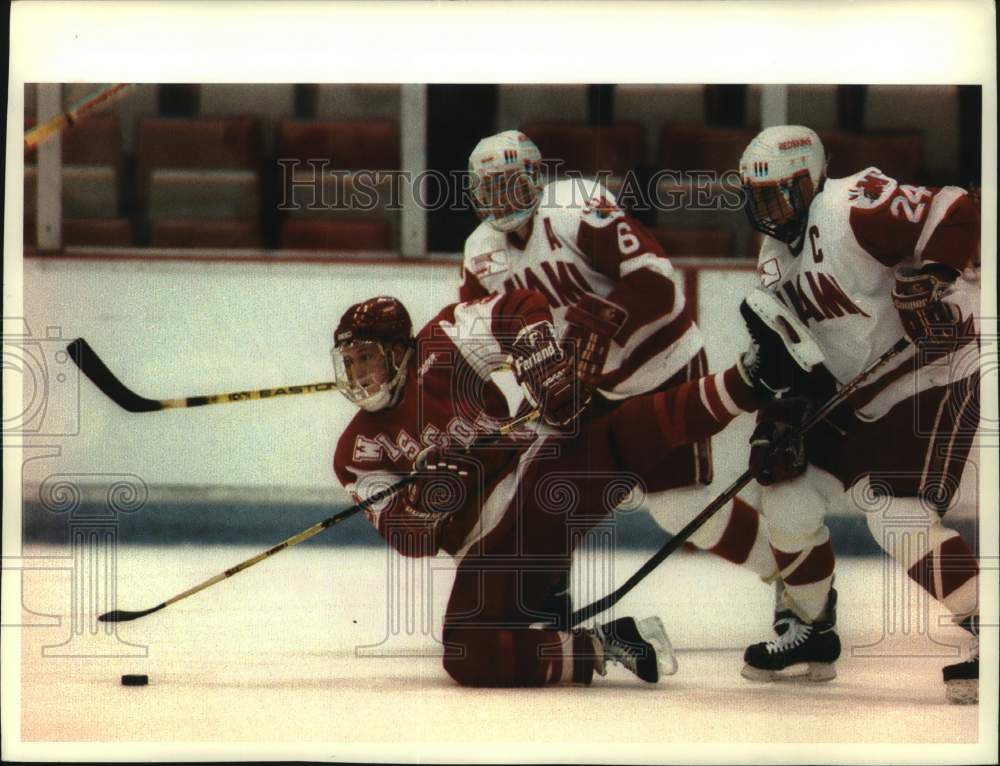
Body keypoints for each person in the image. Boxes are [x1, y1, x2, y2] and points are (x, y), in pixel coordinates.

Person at [330, 287, 809, 687]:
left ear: (399, 351)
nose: (357, 375)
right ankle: (607, 644)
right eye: (349, 364)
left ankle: (755, 376)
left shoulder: (442, 343)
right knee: (465, 652)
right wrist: (423, 507)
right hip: (493, 552)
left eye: (367, 358)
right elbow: (407, 539)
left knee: (606, 433)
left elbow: (519, 307)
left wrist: (540, 363)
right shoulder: (354, 451)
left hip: (535, 475)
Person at [459, 130, 779, 597]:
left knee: (680, 508)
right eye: (491, 189)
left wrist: (598, 332)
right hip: (585, 390)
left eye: (513, 184)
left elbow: (657, 282)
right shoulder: (479, 253)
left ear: (537, 178)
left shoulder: (576, 207)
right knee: (543, 491)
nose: (504, 200)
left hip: (661, 366)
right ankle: (547, 600)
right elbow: (474, 332)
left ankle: (790, 577)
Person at [736, 125, 981, 703]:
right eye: (760, 197)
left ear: (813, 179)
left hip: (938, 365)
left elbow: (957, 206)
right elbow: (790, 358)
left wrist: (937, 276)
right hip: (861, 393)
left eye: (782, 194)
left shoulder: (852, 204)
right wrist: (776, 422)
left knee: (894, 513)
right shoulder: (772, 264)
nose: (771, 210)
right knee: (786, 496)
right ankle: (812, 628)